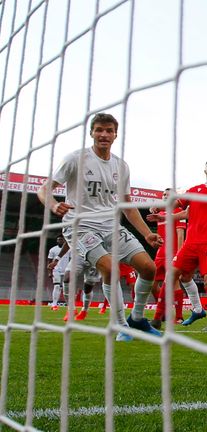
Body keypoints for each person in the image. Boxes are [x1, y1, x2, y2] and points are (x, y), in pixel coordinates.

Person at [36, 112, 163, 341]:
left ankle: (136, 319)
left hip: (110, 226)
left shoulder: (121, 166)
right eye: (99, 130)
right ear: (91, 132)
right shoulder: (75, 159)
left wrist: (147, 234)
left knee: (148, 268)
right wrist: (54, 206)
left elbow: (127, 205)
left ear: (115, 134)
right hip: (80, 226)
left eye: (109, 130)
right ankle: (120, 325)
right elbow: (44, 190)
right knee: (109, 268)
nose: (104, 134)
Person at [152, 157, 207, 333]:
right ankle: (157, 318)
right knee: (172, 274)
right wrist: (161, 210)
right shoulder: (194, 191)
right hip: (191, 242)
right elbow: (181, 208)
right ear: (205, 171)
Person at [149, 188, 187, 329]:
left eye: (168, 195)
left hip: (172, 253)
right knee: (152, 284)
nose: (165, 197)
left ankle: (179, 316)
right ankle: (164, 311)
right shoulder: (160, 214)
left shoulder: (178, 212)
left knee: (175, 283)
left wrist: (178, 255)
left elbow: (181, 235)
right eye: (163, 195)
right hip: (160, 254)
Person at [47, 234, 66, 309]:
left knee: (65, 288)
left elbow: (71, 260)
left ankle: (69, 305)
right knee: (57, 286)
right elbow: (49, 261)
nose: (60, 241)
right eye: (58, 239)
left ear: (64, 240)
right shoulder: (53, 250)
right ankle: (54, 304)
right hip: (56, 270)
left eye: (61, 239)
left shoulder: (69, 249)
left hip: (66, 270)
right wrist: (49, 272)